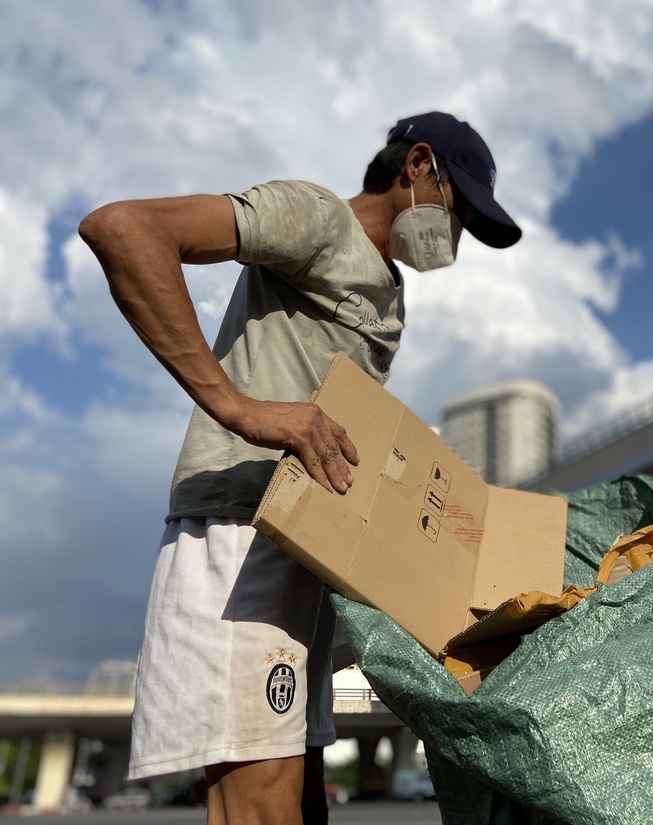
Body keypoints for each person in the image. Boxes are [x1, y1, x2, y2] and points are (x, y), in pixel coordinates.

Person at [79, 112, 522, 825]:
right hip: (240, 532)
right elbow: (124, 229)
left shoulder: (391, 298)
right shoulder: (317, 216)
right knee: (262, 804)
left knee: (300, 795)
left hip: (304, 552)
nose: (456, 237)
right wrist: (240, 407)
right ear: (416, 165)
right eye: (458, 211)